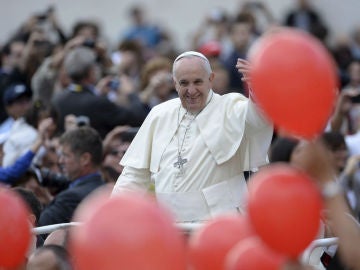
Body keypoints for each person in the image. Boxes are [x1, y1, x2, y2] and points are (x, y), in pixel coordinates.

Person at [112, 51, 273, 222]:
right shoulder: (159, 114)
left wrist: (260, 89)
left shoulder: (230, 107)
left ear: (210, 79)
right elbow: (135, 174)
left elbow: (258, 119)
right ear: (175, 83)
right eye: (184, 83)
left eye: (197, 82)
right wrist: (115, 211)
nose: (191, 90)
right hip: (172, 226)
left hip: (220, 222)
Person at [38, 126, 105, 227]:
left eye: (66, 156)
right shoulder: (104, 189)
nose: (60, 161)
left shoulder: (70, 199)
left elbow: (37, 230)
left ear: (85, 159)